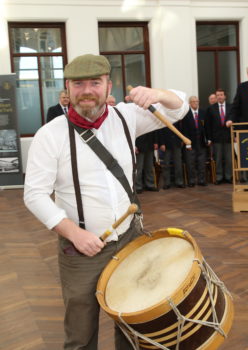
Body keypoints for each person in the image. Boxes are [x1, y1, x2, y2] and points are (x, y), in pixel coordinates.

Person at [23, 54, 188, 350]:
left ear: (108, 86)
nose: (87, 90)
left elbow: (179, 109)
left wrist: (158, 94)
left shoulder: (126, 117)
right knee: (80, 334)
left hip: (130, 239)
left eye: (95, 83)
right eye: (78, 83)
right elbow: (34, 194)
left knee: (133, 324)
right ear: (68, 89)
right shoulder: (49, 135)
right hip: (81, 249)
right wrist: (75, 234)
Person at [205, 88, 233, 184]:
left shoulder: (231, 107)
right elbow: (208, 125)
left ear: (225, 96)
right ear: (216, 97)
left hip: (229, 137)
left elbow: (235, 120)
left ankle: (228, 176)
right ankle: (219, 177)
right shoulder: (210, 109)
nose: (220, 97)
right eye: (218, 95)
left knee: (229, 159)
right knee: (218, 158)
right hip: (216, 138)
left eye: (221, 95)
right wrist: (209, 138)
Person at [182, 96, 208, 186]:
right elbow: (184, 129)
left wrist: (208, 139)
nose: (196, 103)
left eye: (197, 101)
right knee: (190, 163)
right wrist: (187, 144)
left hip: (201, 142)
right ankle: (192, 181)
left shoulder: (203, 113)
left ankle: (202, 180)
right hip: (190, 142)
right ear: (189, 103)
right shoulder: (186, 114)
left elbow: (206, 127)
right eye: (194, 101)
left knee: (201, 163)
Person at [158, 123, 185, 189]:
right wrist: (161, 143)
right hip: (166, 144)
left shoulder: (176, 115)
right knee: (166, 164)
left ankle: (179, 182)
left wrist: (181, 140)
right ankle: (167, 183)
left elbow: (180, 129)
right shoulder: (163, 116)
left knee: (178, 164)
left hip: (176, 143)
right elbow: (160, 131)